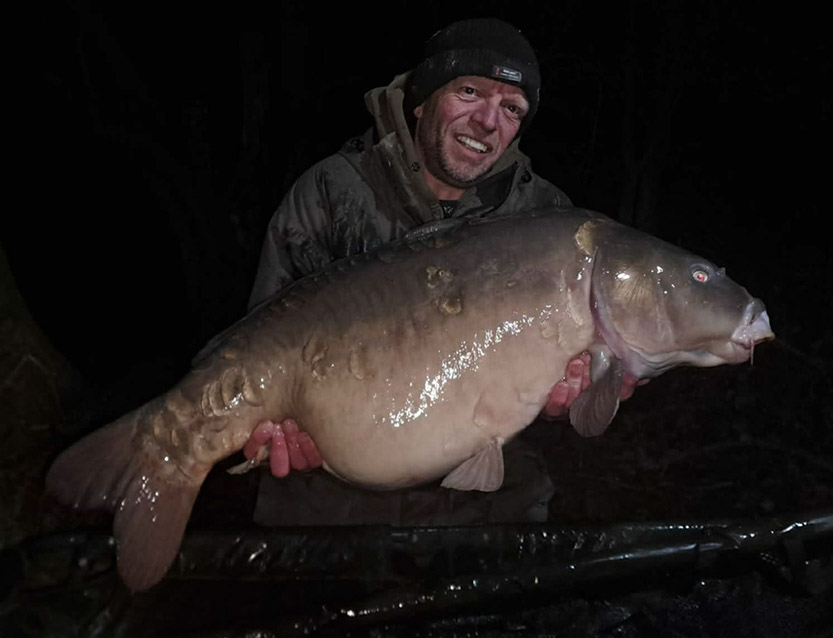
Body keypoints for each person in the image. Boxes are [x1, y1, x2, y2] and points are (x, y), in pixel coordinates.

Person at [241, 18, 640, 519]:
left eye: (511, 108)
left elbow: (570, 391)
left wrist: (567, 401)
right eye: (470, 91)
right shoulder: (329, 193)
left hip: (488, 496)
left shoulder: (545, 219)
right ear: (422, 100)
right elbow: (264, 349)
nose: (489, 121)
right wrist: (282, 427)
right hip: (332, 497)